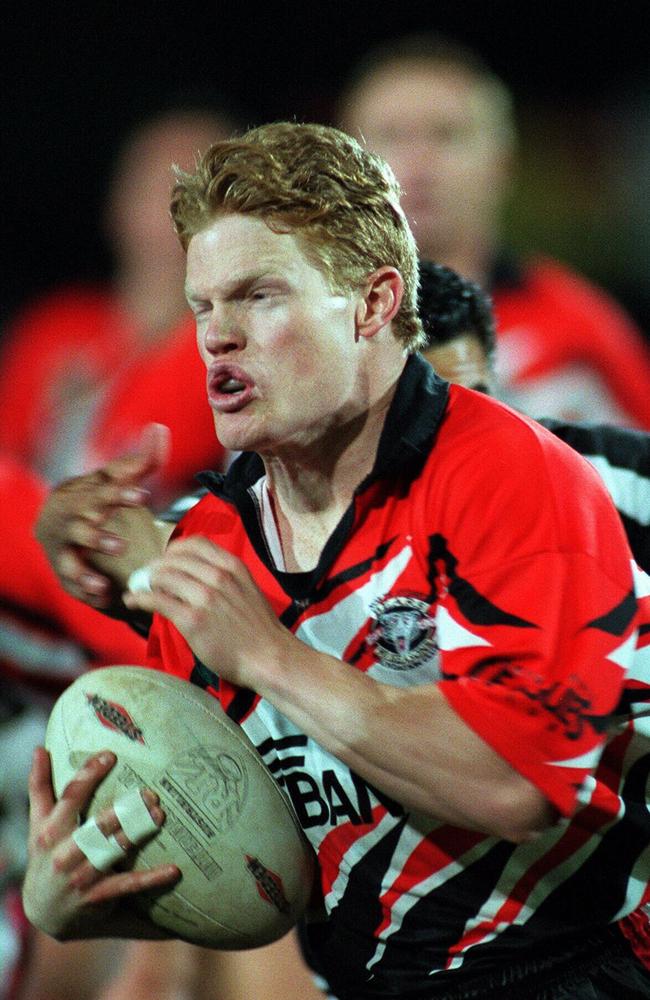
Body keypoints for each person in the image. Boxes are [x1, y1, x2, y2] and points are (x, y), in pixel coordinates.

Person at [23, 122, 650, 999]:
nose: (217, 338)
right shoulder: (211, 543)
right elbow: (261, 861)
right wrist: (85, 892)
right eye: (203, 306)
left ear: (373, 303)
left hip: (565, 971)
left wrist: (274, 658)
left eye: (259, 297)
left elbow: (516, 785)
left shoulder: (507, 473)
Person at [337, 31, 650, 428]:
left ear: (503, 162)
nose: (419, 162)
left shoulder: (579, 324)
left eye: (446, 134)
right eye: (392, 136)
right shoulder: (304, 321)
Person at [0, 98, 234, 502]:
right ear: (116, 203)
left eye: (198, 190)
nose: (173, 210)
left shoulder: (235, 348)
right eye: (153, 185)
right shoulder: (56, 328)